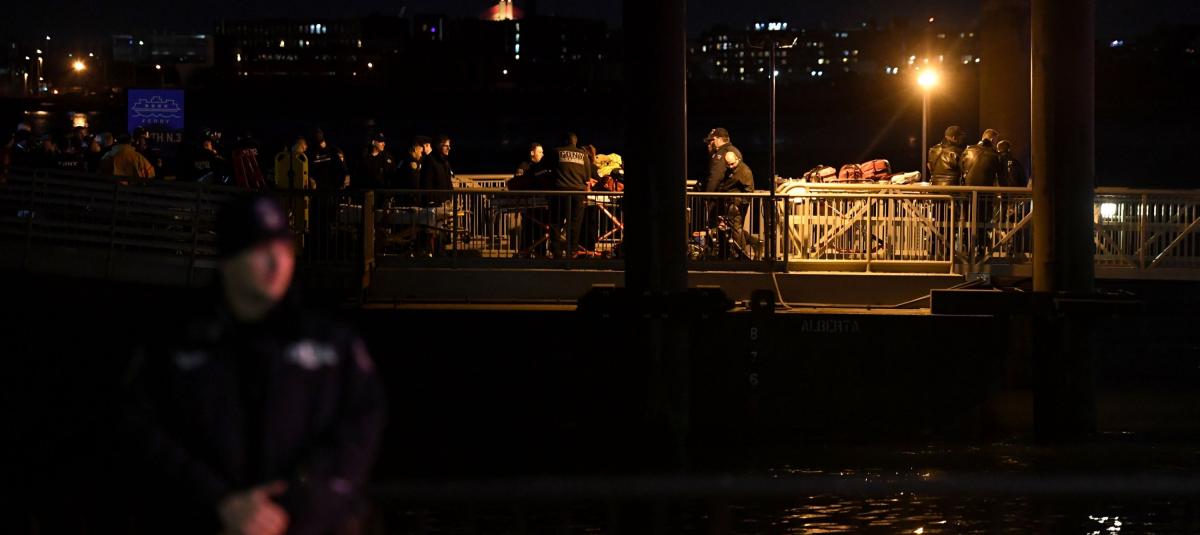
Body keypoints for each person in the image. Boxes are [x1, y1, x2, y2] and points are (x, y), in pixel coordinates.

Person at [122, 193, 385, 535]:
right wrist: (220, 501)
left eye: (284, 248)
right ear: (228, 258)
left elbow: (360, 429)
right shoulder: (176, 346)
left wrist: (295, 504)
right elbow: (143, 432)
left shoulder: (333, 346)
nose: (277, 262)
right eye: (261, 249)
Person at [550, 133, 592, 258]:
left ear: (564, 141)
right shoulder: (583, 154)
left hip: (560, 192)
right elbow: (587, 177)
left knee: (556, 222)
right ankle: (572, 251)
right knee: (575, 222)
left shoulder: (557, 152)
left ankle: (556, 252)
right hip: (578, 193)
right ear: (575, 142)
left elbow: (550, 170)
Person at [711, 150, 755, 259]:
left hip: (736, 205)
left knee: (736, 229)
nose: (730, 166)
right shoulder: (732, 170)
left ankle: (742, 254)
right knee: (731, 228)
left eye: (732, 164)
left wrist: (738, 204)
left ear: (737, 159)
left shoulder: (745, 171)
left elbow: (749, 191)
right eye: (728, 164)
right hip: (728, 203)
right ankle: (733, 253)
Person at [704, 128, 742, 192]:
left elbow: (716, 177)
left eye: (712, 140)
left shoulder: (722, 153)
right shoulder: (735, 150)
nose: (711, 143)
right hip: (735, 192)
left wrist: (707, 195)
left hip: (724, 194)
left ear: (718, 139)